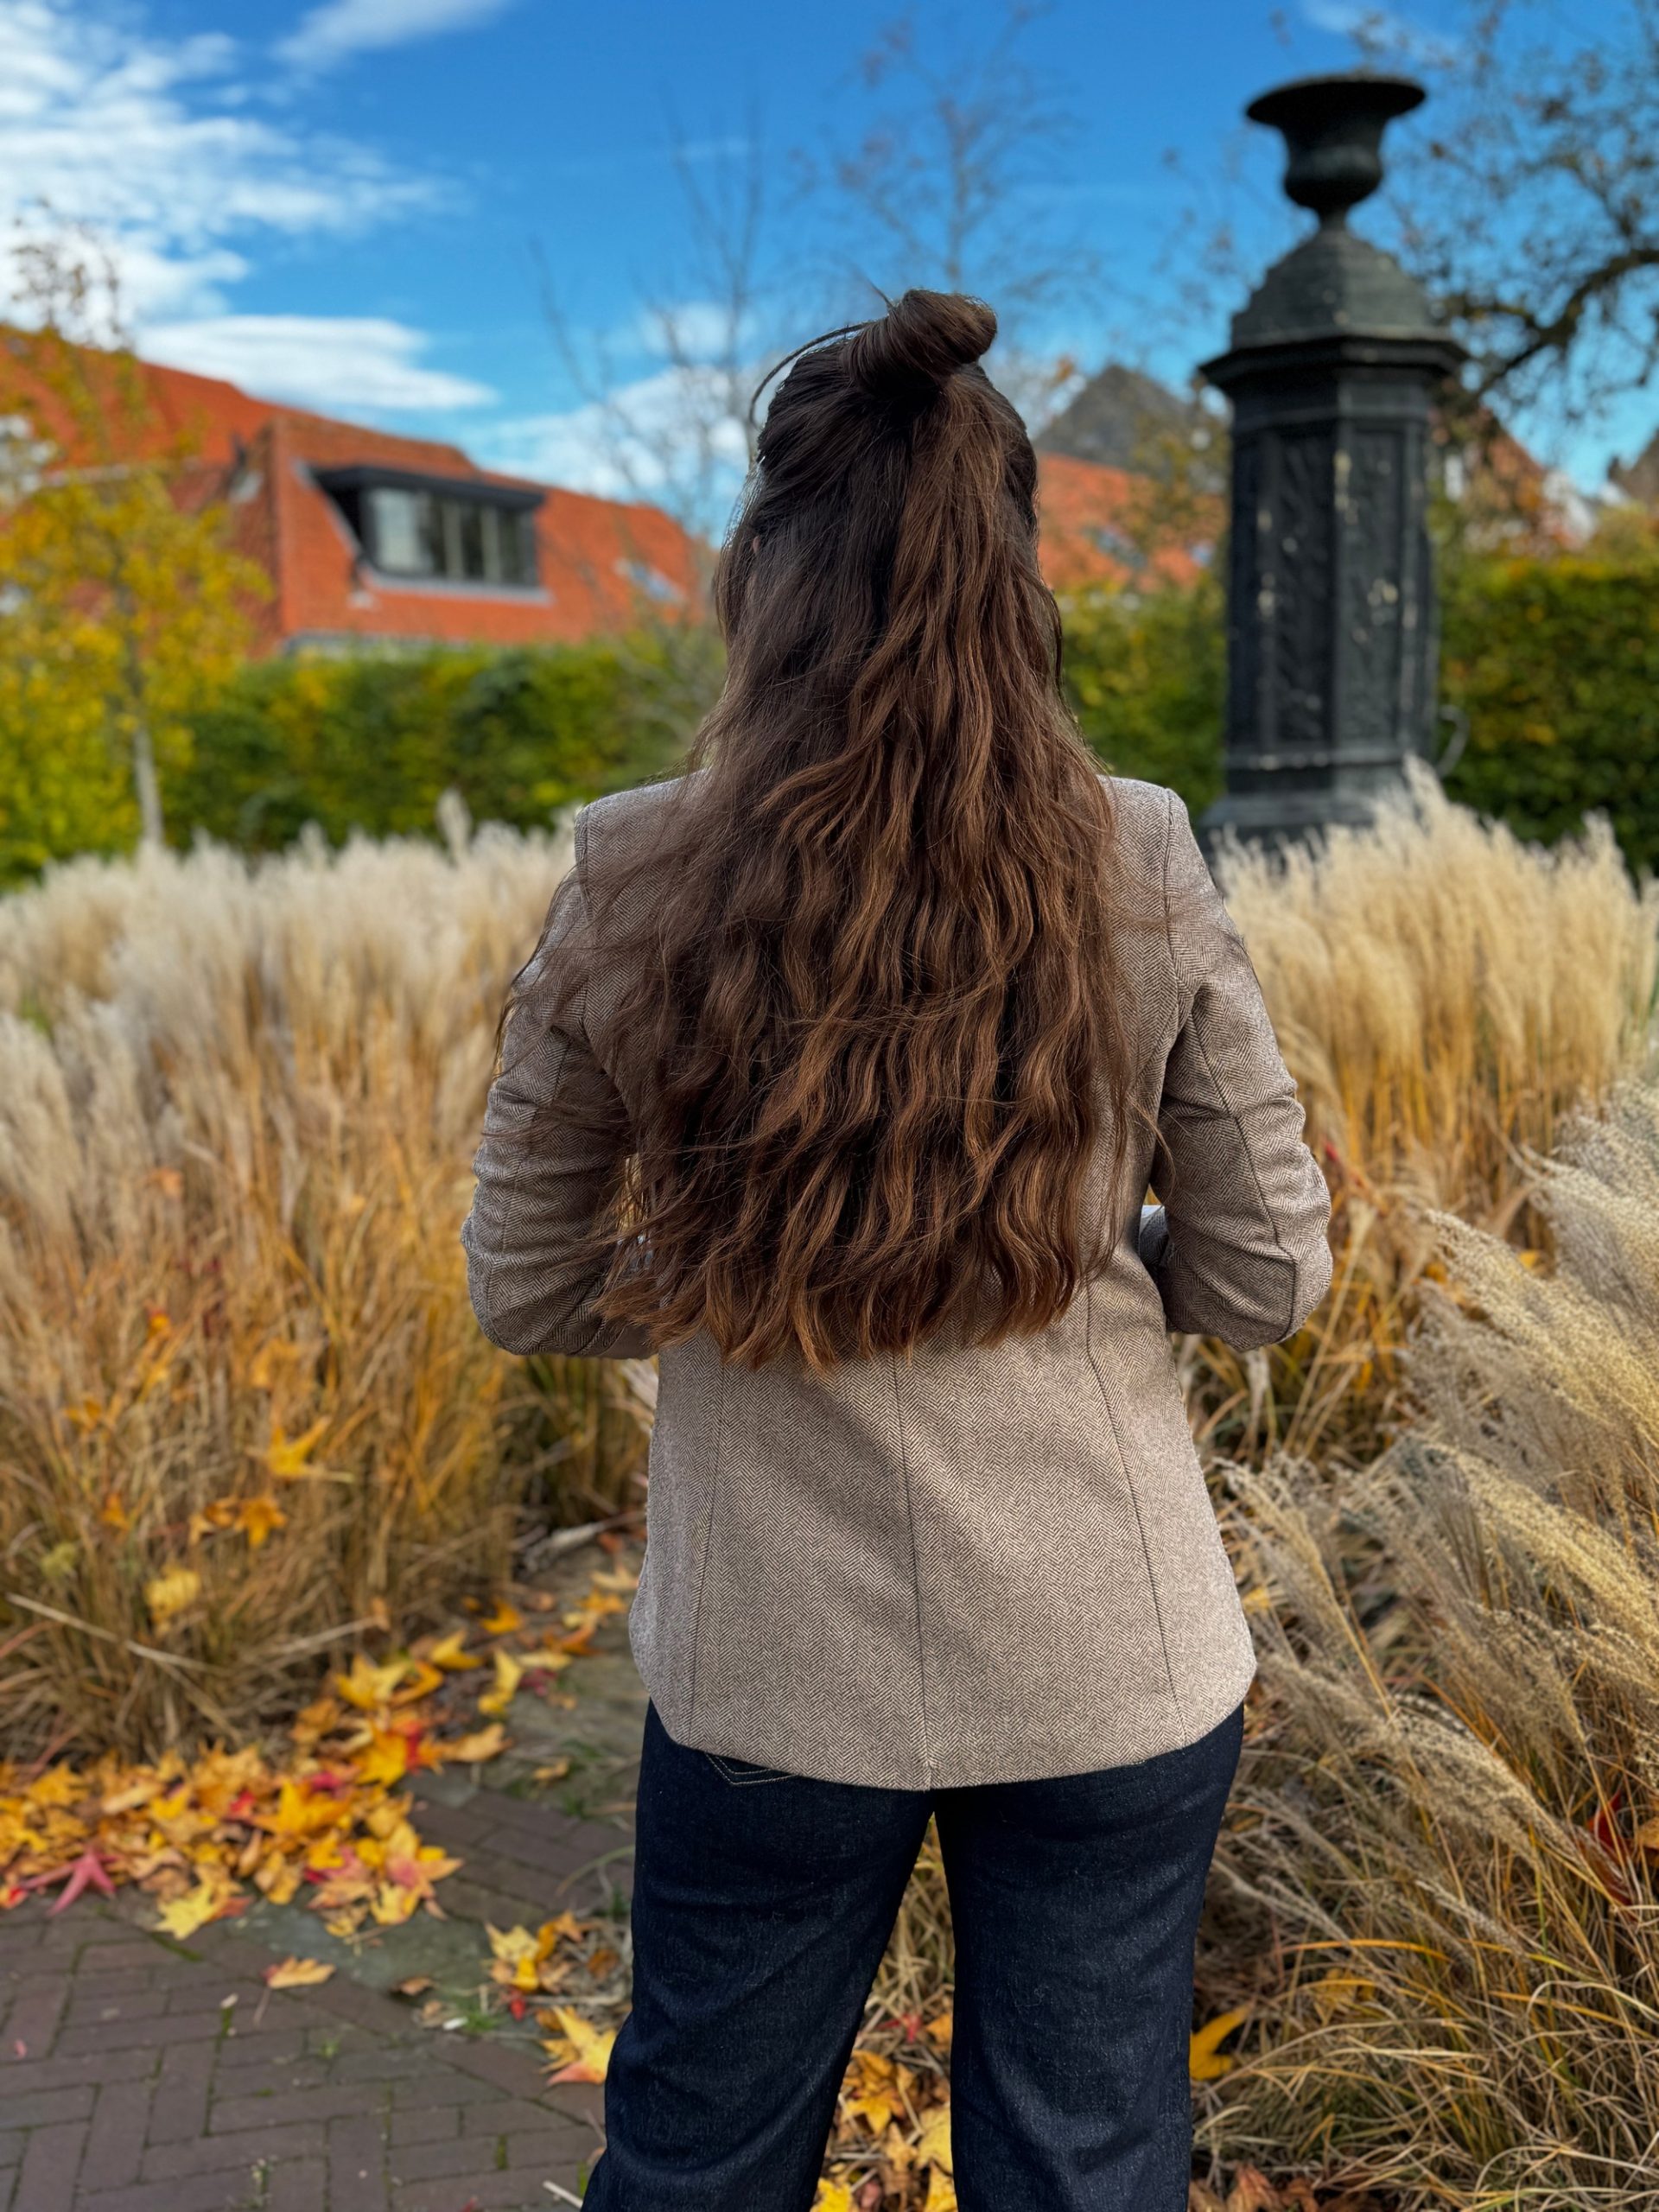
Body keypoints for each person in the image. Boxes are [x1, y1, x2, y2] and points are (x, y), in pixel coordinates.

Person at [461, 288, 1332, 2212]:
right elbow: (1272, 1277)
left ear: (762, 572)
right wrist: (1083, 1249)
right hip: (1109, 1649)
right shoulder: (1145, 855)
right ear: (1013, 572)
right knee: (1087, 2162)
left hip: (775, 1667)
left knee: (697, 2158)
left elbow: (522, 1285)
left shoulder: (630, 867)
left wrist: (751, 1272)